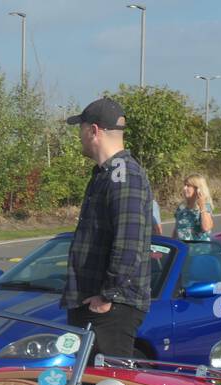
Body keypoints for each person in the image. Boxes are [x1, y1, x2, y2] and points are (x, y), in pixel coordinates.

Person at [61, 97, 154, 361]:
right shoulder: (107, 173)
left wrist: (108, 295)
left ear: (94, 130)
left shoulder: (124, 175)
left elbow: (129, 243)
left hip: (111, 308)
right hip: (95, 302)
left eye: (81, 128)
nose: (79, 135)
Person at [172, 174, 214, 240]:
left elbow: (206, 228)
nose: (184, 188)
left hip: (200, 249)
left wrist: (202, 206)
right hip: (182, 248)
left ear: (198, 189)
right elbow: (176, 230)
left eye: (188, 186)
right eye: (184, 185)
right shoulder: (181, 207)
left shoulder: (206, 206)